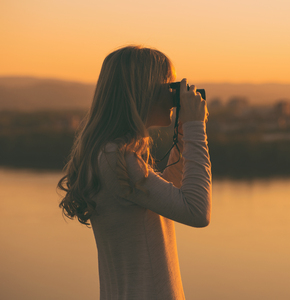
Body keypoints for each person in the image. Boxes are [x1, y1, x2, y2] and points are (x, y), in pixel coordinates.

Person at [57, 45, 212, 300]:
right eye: (167, 86)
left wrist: (183, 139)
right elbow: (197, 211)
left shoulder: (108, 154)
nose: (174, 96)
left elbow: (166, 199)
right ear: (144, 92)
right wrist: (196, 128)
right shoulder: (117, 159)